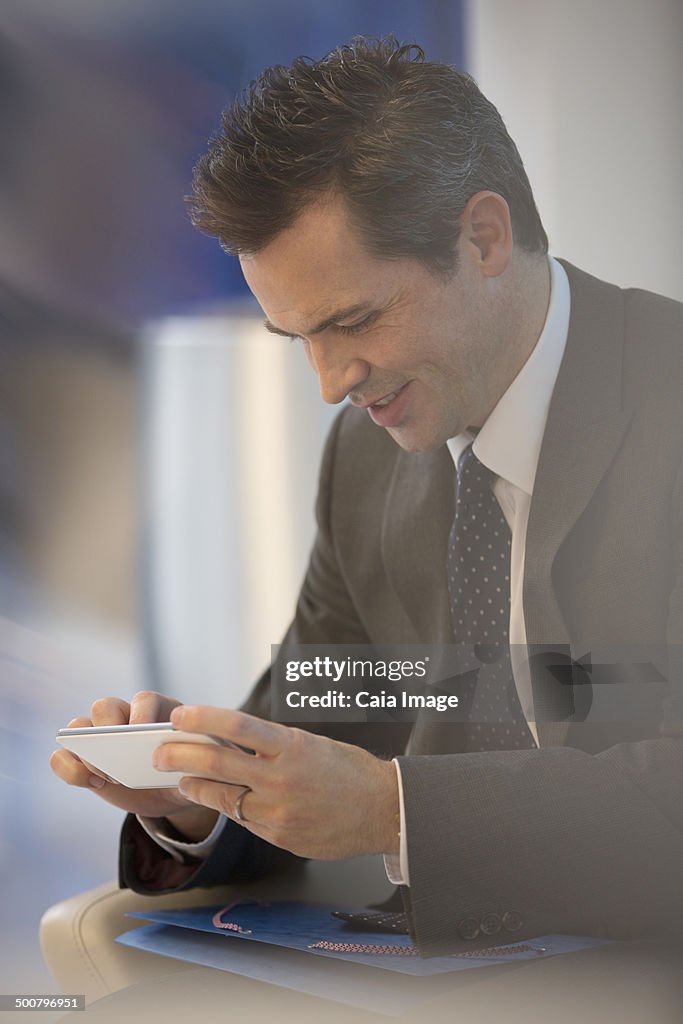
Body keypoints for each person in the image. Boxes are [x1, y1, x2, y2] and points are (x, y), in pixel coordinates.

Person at [51, 37, 683, 959]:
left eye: (352, 321)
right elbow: (321, 725)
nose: (330, 382)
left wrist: (392, 810)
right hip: (459, 962)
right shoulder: (370, 454)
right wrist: (196, 793)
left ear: (483, 238)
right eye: (295, 337)